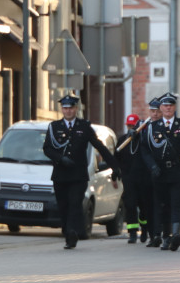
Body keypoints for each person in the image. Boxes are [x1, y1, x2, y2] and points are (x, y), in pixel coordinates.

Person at [42, 94, 119, 249]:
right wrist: (60, 159)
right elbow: (47, 149)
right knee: (63, 205)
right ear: (62, 110)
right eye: (65, 108)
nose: (68, 111)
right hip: (60, 174)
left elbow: (100, 146)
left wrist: (114, 166)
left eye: (71, 108)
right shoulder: (54, 127)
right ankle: (67, 229)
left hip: (78, 175)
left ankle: (72, 233)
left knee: (74, 204)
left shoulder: (84, 127)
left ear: (75, 109)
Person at [140, 92, 180, 251]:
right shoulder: (152, 127)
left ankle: (175, 234)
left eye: (171, 105)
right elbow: (144, 149)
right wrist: (152, 166)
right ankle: (166, 237)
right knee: (163, 205)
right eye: (165, 105)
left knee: (177, 203)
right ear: (160, 108)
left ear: (174, 107)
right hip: (159, 172)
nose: (168, 108)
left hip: (178, 171)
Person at [116, 114, 152, 244]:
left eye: (133, 125)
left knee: (144, 205)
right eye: (129, 125)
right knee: (130, 205)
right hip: (128, 179)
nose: (131, 128)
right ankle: (132, 232)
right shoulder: (122, 141)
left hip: (143, 178)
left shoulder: (143, 140)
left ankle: (145, 229)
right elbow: (116, 157)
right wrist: (116, 173)